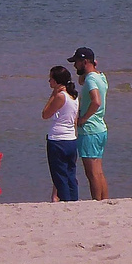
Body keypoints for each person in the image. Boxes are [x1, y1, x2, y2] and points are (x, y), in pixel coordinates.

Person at [69, 46, 110, 201]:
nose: (74, 66)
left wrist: (83, 119)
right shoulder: (100, 76)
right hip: (100, 128)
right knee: (98, 171)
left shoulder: (91, 79)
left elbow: (96, 101)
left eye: (77, 62)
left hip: (90, 129)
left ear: (84, 61)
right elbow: (81, 80)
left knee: (91, 173)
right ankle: (104, 200)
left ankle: (96, 202)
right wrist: (89, 68)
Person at [42, 65, 79, 202]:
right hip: (71, 139)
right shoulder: (74, 96)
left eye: (51, 79)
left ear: (57, 81)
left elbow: (45, 113)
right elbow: (74, 119)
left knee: (59, 176)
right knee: (70, 174)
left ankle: (66, 200)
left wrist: (53, 94)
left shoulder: (60, 96)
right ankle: (73, 200)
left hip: (58, 139)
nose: (49, 82)